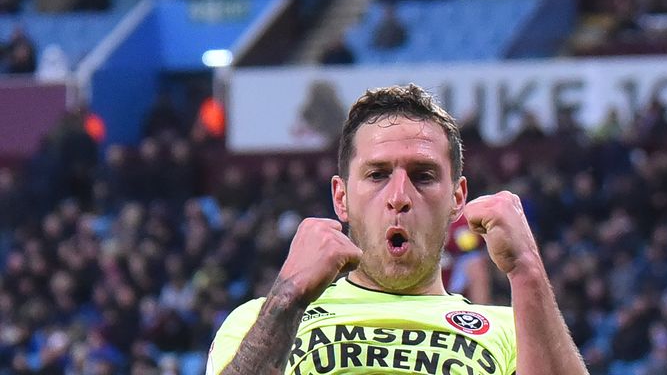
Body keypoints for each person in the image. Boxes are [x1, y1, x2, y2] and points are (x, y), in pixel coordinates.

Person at [205, 84, 587, 374]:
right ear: (341, 199)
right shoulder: (260, 321)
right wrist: (286, 298)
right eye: (377, 175)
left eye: (423, 176)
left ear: (457, 198)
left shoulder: (510, 330)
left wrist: (528, 271)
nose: (399, 196)